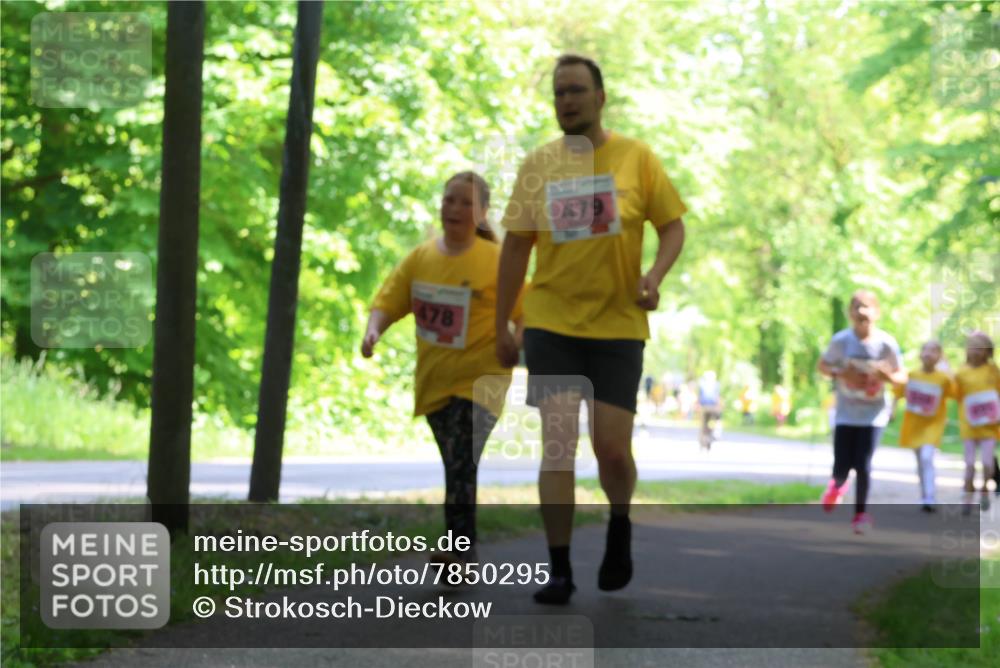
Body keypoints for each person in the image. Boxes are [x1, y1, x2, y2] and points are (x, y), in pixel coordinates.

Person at [493, 54, 686, 604]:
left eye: (577, 90)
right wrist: (505, 324)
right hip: (551, 321)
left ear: (601, 97)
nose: (567, 101)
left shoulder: (636, 158)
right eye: (559, 93)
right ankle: (559, 569)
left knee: (611, 449)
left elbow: (672, 227)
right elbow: (514, 250)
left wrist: (654, 274)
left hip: (619, 324)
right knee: (557, 446)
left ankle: (619, 522)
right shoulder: (539, 165)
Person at [362, 171, 523, 568]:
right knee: (457, 461)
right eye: (449, 199)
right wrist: (373, 331)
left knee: (461, 457)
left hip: (482, 379)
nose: (453, 208)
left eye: (465, 202)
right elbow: (390, 298)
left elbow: (526, 313)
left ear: (483, 212)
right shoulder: (422, 258)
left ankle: (460, 551)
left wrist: (514, 342)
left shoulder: (498, 261)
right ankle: (461, 549)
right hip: (435, 381)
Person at [817, 290, 906, 534]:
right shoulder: (841, 341)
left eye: (867, 306)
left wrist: (887, 376)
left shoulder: (886, 343)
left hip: (874, 414)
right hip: (846, 413)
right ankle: (837, 486)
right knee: (842, 465)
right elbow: (822, 365)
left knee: (863, 464)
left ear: (876, 312)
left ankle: (860, 515)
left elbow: (901, 377)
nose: (862, 311)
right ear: (850, 313)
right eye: (856, 306)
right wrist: (840, 373)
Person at [891, 341, 954, 512]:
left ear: (939, 357)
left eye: (934, 351)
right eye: (925, 350)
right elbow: (898, 393)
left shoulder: (942, 379)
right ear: (920, 354)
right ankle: (924, 494)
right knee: (920, 461)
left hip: (933, 426)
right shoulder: (912, 375)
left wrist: (948, 370)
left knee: (927, 457)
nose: (928, 354)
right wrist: (892, 411)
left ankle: (930, 496)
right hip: (914, 425)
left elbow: (956, 393)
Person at [954, 331, 1000, 513]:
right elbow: (956, 394)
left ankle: (984, 490)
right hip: (969, 424)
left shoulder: (993, 371)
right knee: (970, 463)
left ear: (988, 351)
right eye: (972, 346)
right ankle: (967, 496)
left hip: (989, 425)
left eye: (980, 348)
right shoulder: (961, 372)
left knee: (988, 462)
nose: (975, 351)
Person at [697, 371, 722, 450]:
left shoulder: (702, 384)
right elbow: (717, 397)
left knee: (703, 425)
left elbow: (700, 396)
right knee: (716, 420)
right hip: (713, 407)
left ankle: (702, 441)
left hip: (704, 407)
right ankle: (715, 432)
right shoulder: (716, 384)